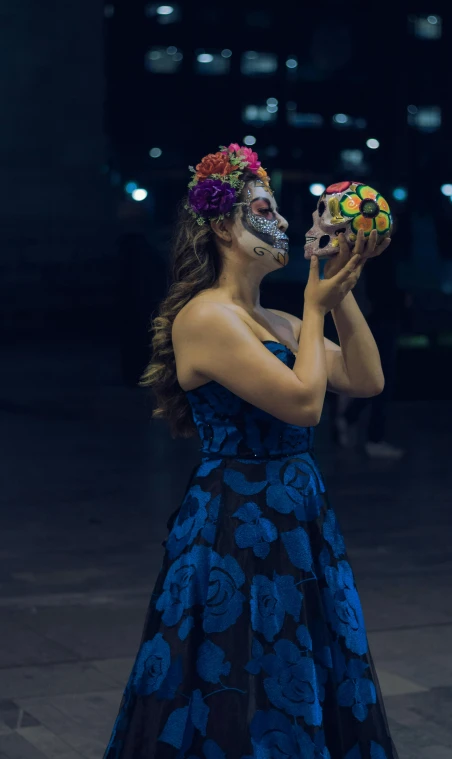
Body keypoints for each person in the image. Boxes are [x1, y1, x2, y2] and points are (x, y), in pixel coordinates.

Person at [103, 144, 400, 758]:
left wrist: (335, 293)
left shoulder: (281, 320)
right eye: (265, 208)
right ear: (221, 228)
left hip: (297, 514)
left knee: (302, 658)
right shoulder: (205, 318)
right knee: (236, 669)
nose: (287, 222)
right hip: (235, 523)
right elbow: (303, 405)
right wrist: (315, 310)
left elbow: (367, 380)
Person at [331, 218, 406, 460]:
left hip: (380, 317)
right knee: (382, 380)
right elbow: (379, 288)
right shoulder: (375, 249)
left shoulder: (379, 248)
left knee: (381, 379)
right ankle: (371, 436)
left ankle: (354, 421)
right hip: (379, 319)